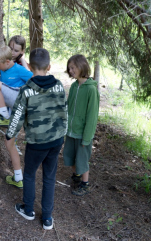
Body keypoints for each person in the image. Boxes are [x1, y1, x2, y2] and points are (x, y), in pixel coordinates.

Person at [5, 48, 67, 230]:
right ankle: (47, 218)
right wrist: (63, 134)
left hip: (37, 143)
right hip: (56, 141)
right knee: (49, 177)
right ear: (49, 66)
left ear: (30, 66)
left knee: (30, 174)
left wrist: (10, 135)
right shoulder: (59, 86)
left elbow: (16, 116)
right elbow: (65, 112)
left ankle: (29, 209)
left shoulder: (26, 90)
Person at [63, 54, 99, 196]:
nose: (71, 70)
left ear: (82, 66)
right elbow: (68, 108)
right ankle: (76, 177)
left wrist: (87, 137)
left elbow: (92, 116)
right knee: (71, 156)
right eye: (69, 68)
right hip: (71, 130)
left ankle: (85, 184)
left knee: (82, 160)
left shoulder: (91, 89)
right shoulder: (73, 86)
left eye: (73, 67)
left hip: (83, 133)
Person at [0, 45, 33, 127]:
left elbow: (35, 80)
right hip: (12, 105)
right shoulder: (3, 71)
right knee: (10, 134)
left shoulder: (19, 69)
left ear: (7, 62)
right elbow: (2, 94)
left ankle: (4, 116)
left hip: (20, 100)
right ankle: (6, 117)